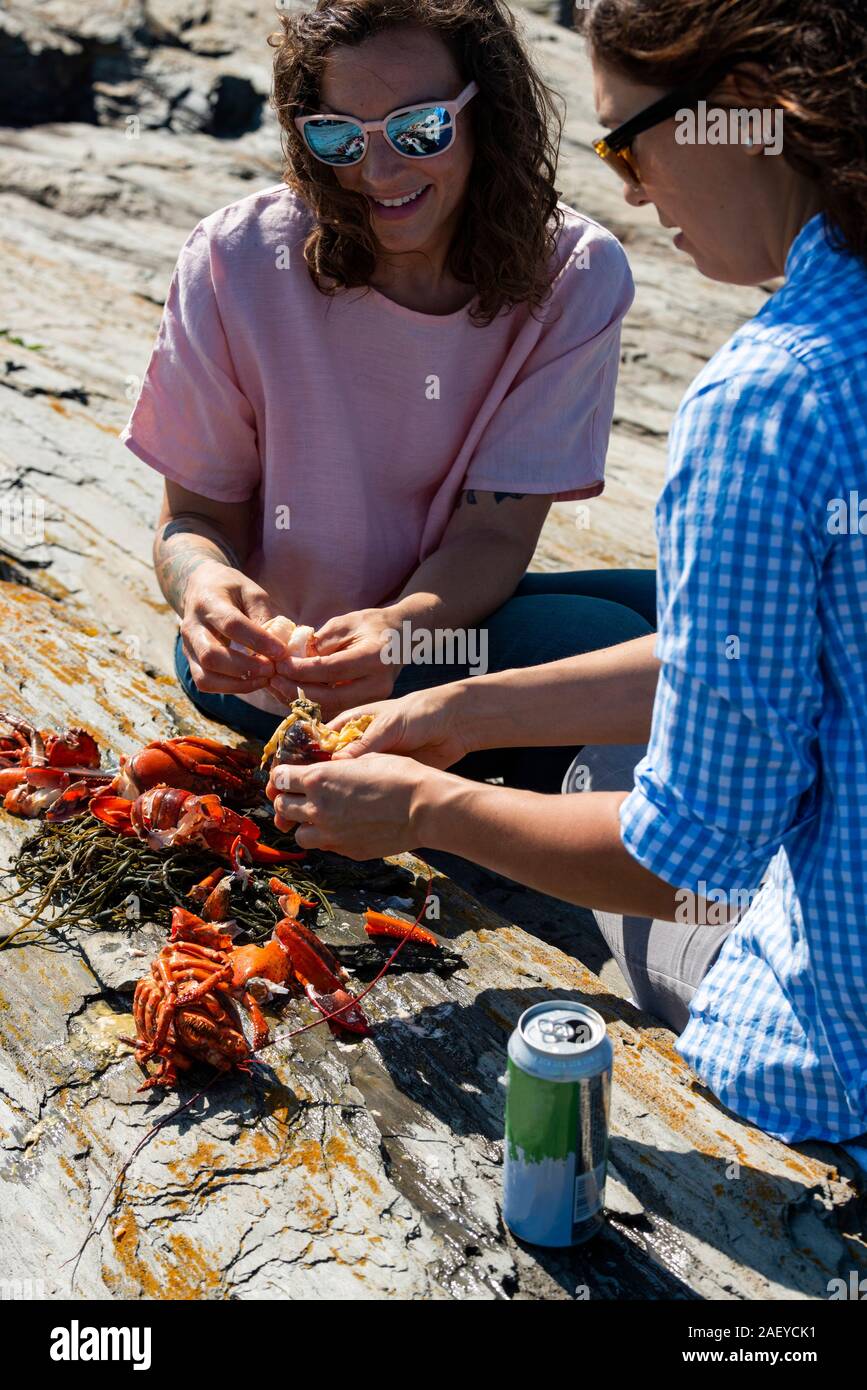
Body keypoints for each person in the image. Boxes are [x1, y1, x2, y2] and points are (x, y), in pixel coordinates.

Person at [268, 0, 867, 1148]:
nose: (635, 190)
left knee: (608, 793)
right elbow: (766, 648)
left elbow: (688, 855)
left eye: (629, 139)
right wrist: (463, 706)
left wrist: (430, 806)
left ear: (741, 113)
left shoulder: (770, 401)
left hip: (838, 1052)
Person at [121, 0, 652, 793]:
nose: (378, 173)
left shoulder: (573, 271)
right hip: (278, 677)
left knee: (710, 617)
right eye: (338, 136)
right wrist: (200, 589)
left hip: (436, 622)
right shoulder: (235, 260)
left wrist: (402, 629)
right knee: (610, 641)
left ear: (488, 112)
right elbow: (192, 522)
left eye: (420, 130)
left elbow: (493, 535)